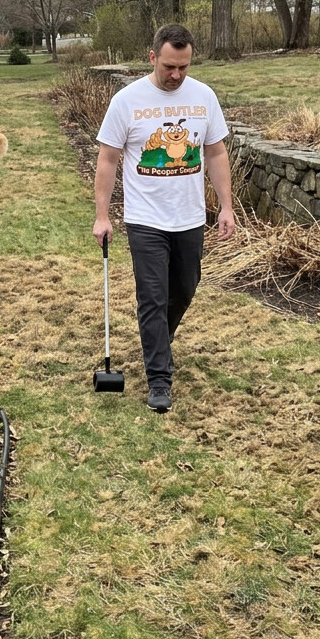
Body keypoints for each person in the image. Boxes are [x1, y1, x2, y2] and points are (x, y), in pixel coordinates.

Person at [92, 24, 236, 414]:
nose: (176, 75)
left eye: (184, 68)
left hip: (188, 217)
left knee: (185, 289)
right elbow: (107, 159)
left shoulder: (204, 97)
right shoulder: (127, 101)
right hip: (145, 218)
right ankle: (159, 378)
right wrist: (102, 216)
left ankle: (159, 340)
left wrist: (225, 205)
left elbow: (217, 153)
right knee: (152, 297)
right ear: (153, 57)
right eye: (170, 67)